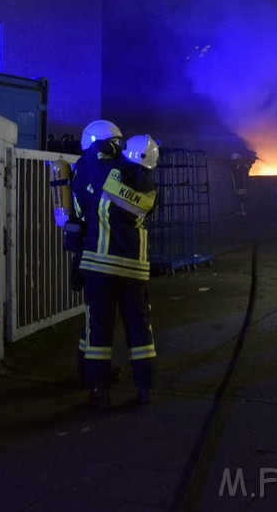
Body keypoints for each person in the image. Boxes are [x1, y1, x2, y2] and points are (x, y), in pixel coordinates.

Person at [74, 131, 160, 408]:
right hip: (135, 269)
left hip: (101, 265)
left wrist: (110, 144)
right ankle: (145, 390)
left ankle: (99, 392)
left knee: (99, 330)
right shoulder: (151, 192)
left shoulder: (109, 173)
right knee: (140, 330)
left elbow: (94, 154)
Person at [230, 151, 256, 219]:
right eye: (238, 159)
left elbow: (245, 169)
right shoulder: (235, 166)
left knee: (241, 201)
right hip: (239, 187)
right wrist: (250, 161)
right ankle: (242, 216)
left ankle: (240, 215)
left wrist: (251, 161)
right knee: (242, 200)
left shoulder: (236, 166)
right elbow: (245, 169)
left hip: (240, 186)